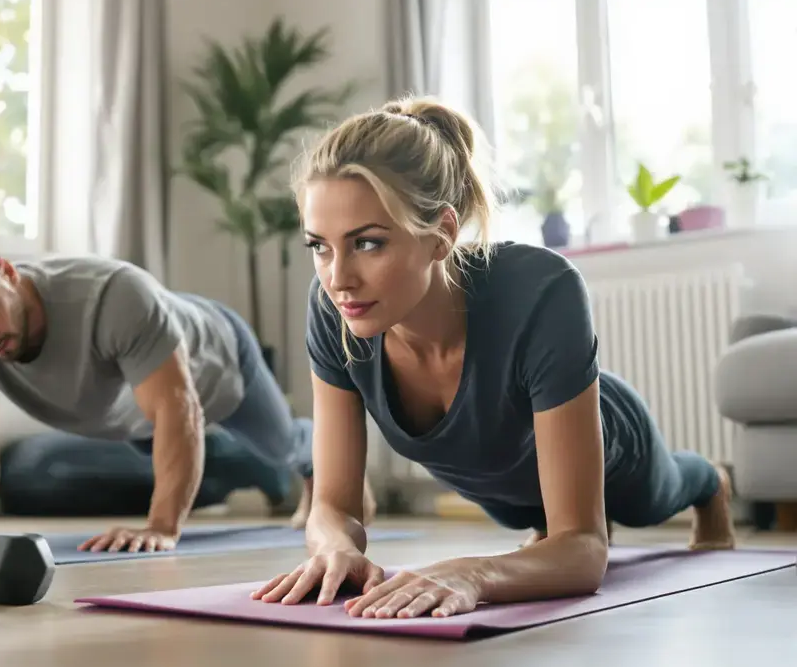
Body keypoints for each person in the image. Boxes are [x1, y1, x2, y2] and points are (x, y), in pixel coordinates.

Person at [250, 95, 737, 620]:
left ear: (442, 234)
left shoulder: (541, 288)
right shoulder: (333, 310)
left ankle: (712, 482)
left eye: (367, 244)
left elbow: (586, 551)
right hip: (503, 488)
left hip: (614, 444)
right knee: (532, 521)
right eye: (319, 246)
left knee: (653, 499)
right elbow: (332, 507)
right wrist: (335, 548)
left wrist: (473, 572)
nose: (338, 278)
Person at [0, 223, 372, 552]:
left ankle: (318, 461)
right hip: (138, 404)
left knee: (278, 444)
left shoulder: (111, 295)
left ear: (6, 271)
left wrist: (161, 528)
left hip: (215, 357)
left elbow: (177, 411)